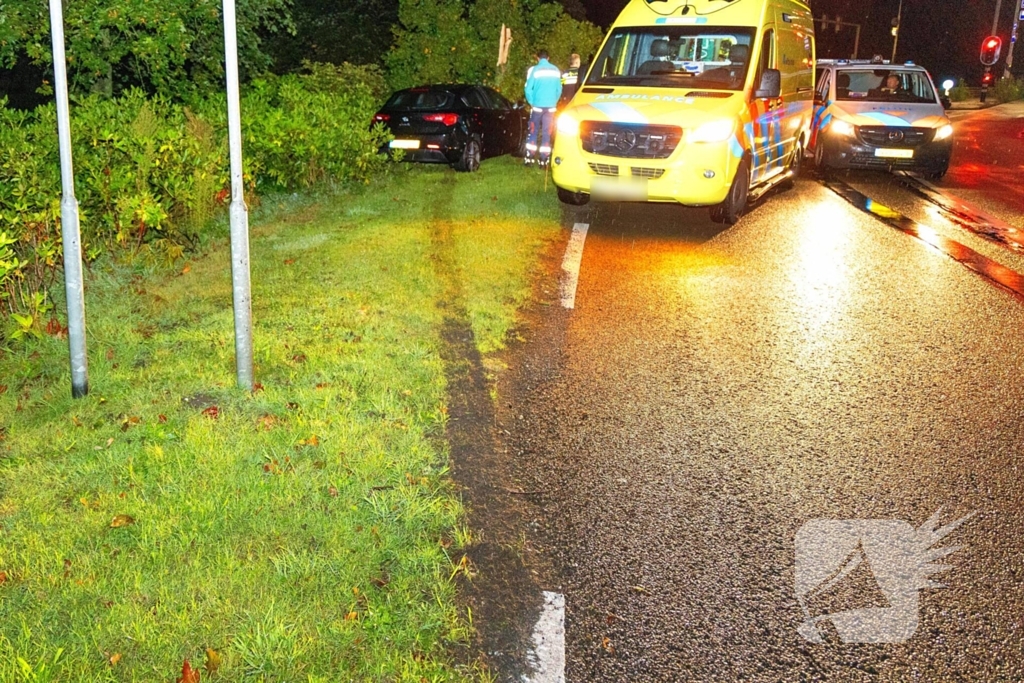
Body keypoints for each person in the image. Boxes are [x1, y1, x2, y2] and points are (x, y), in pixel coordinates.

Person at [524, 50, 562, 167]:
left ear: (537, 58)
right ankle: (544, 159)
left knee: (533, 130)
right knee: (547, 132)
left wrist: (531, 102)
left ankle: (530, 157)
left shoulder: (535, 70)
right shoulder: (556, 70)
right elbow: (559, 90)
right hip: (551, 107)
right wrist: (554, 101)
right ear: (548, 58)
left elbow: (528, 89)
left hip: (537, 106)